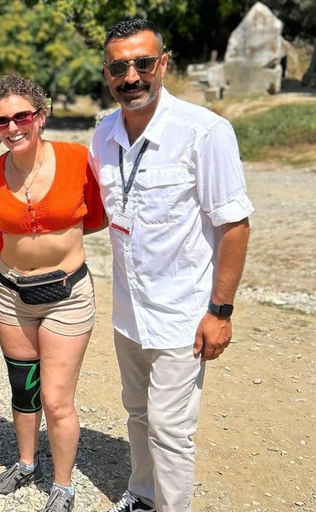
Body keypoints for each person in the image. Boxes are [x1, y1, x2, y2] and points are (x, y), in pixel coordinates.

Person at [89, 19, 253, 512]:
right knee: (137, 413)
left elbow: (234, 225)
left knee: (169, 428)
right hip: (128, 312)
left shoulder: (204, 132)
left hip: (182, 313)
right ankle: (142, 495)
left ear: (163, 64)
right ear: (107, 72)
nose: (131, 76)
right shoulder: (103, 132)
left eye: (143, 63)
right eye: (119, 66)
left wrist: (219, 312)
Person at [0, 74, 105, 512]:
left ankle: (63, 485)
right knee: (23, 389)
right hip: (11, 295)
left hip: (67, 294)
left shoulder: (76, 158)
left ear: (40, 117)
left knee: (55, 398)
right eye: (1, 121)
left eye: (21, 116)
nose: (12, 127)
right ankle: (26, 463)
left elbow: (97, 215)